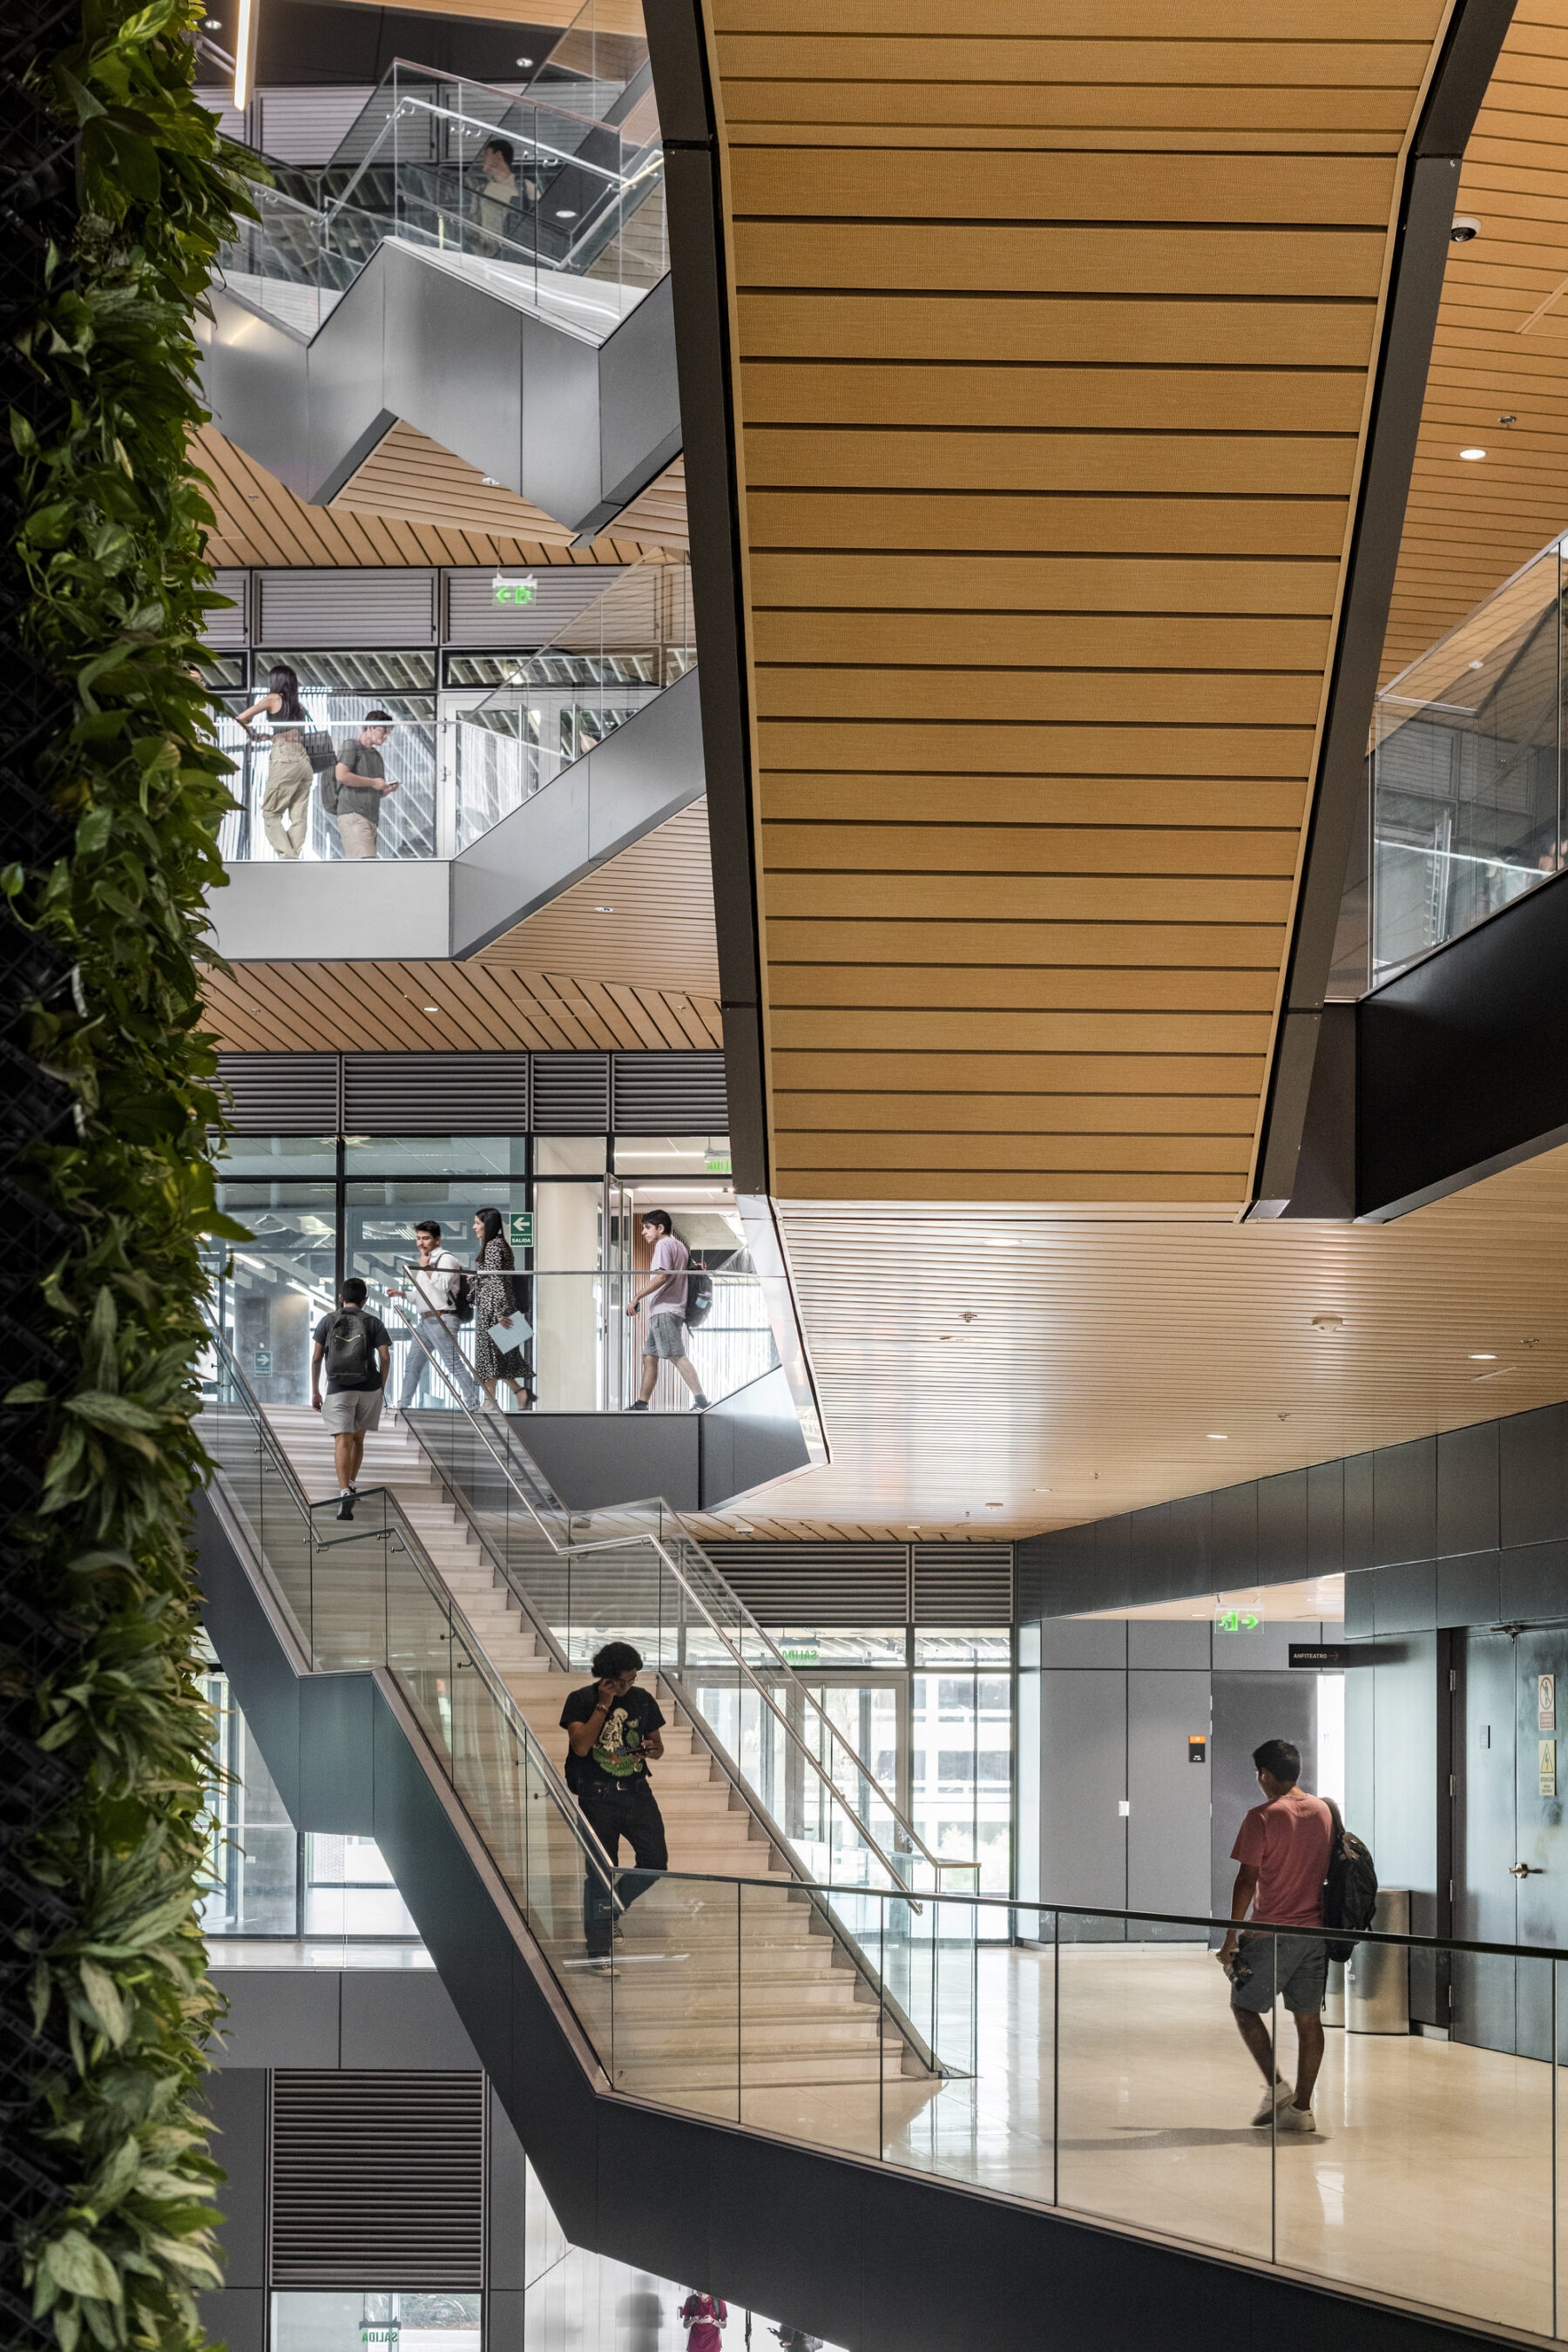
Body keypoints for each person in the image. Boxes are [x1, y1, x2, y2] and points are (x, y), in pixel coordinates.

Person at [1217, 1736, 1335, 2136]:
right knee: (1308, 2020)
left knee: (1244, 2007)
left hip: (1270, 1934)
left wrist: (1231, 1936)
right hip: (1315, 1932)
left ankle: (1276, 2086)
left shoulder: (1262, 1817)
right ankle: (1302, 2108)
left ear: (1265, 1775)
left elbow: (1247, 1880)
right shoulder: (1323, 1811)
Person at [560, 1640, 667, 1963]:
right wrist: (603, 1705)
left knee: (656, 1861)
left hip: (637, 1792)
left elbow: (659, 1748)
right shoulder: (580, 1700)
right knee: (599, 1873)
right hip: (597, 1796)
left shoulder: (643, 1700)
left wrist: (650, 1749)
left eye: (632, 1679)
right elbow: (580, 1746)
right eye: (621, 1680)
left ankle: (611, 1910)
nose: (626, 1686)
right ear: (605, 1677)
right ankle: (597, 1951)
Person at [309, 1277, 391, 1520]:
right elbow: (385, 1357)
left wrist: (315, 1390)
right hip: (368, 1388)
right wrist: (381, 1386)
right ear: (365, 1300)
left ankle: (344, 1490)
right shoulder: (373, 1322)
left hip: (338, 1387)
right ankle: (353, 1483)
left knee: (342, 1441)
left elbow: (316, 1358)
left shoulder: (328, 1320)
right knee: (358, 1439)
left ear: (340, 1298)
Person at [623, 1210, 710, 1413]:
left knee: (676, 1355)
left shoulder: (663, 1244)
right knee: (649, 1357)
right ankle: (642, 1404)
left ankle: (702, 1400)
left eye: (647, 1228)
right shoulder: (679, 1246)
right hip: (670, 1310)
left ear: (660, 1228)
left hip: (665, 1310)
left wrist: (637, 1297)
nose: (644, 1232)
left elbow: (662, 1277)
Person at [388, 1220, 478, 1412]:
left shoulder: (446, 1259)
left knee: (453, 1364)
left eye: (426, 1238)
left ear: (437, 1240)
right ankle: (403, 1405)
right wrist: (402, 1294)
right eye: (418, 1238)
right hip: (425, 1321)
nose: (421, 1243)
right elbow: (423, 1296)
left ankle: (473, 1404)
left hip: (443, 1318)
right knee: (412, 1365)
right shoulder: (426, 1261)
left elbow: (443, 1286)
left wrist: (426, 1268)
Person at [236, 662, 314, 859]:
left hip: (285, 758)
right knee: (298, 816)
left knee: (270, 812)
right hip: (303, 761)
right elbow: (295, 735)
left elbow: (241, 718)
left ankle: (288, 857)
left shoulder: (272, 698)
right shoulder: (299, 706)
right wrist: (269, 737)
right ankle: (292, 858)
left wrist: (251, 732)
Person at [470, 1205, 533, 1414]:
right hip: (495, 1308)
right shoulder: (499, 1245)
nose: (474, 1227)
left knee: (487, 1360)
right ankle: (518, 1392)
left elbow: (497, 1280)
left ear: (487, 1225)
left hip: (492, 1311)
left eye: (478, 1223)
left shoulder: (493, 1246)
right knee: (499, 1359)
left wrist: (499, 1312)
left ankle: (490, 1402)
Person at [331, 712, 396, 861]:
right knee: (366, 864)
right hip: (354, 815)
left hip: (371, 819)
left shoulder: (376, 756)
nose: (386, 736)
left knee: (367, 865)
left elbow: (376, 792)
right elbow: (341, 775)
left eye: (388, 733)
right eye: (383, 731)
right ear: (370, 727)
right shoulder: (351, 745)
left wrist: (386, 789)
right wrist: (374, 782)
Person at [476, 138, 520, 251]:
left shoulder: (522, 188)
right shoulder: (481, 188)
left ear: (498, 155)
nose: (483, 159)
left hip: (507, 252)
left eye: (486, 154)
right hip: (483, 251)